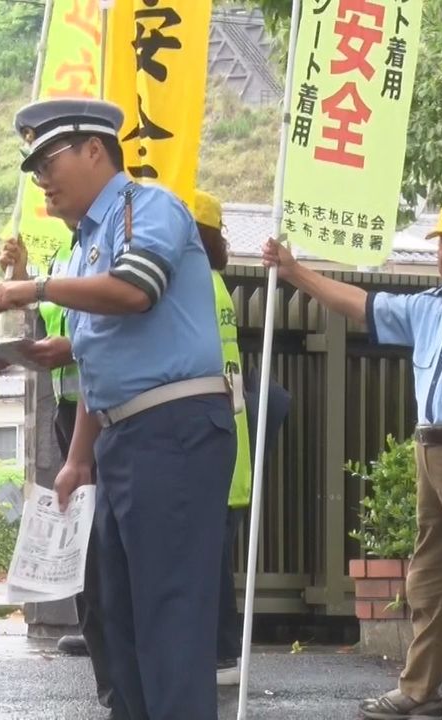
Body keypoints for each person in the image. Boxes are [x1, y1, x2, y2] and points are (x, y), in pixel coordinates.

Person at [0, 98, 236, 720]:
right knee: (114, 614)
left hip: (173, 428)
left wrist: (34, 286)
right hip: (122, 434)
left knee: (168, 615)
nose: (41, 176)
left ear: (95, 149)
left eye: (49, 158)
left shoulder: (147, 207)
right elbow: (100, 352)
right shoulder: (83, 244)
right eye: (33, 164)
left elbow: (135, 290)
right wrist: (75, 457)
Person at [262, 197, 442, 720]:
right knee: (429, 582)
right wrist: (295, 270)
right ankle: (420, 690)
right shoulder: (431, 307)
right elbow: (359, 304)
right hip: (433, 452)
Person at [0, 236, 113, 713]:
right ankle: (104, 655)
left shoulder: (109, 241)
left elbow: (96, 330)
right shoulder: (75, 249)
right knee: (85, 539)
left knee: (100, 542)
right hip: (72, 407)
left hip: (104, 406)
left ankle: (116, 671)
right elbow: (59, 318)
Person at [193, 190, 254, 687]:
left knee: (208, 563)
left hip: (210, 446)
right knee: (213, 559)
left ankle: (221, 654)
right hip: (228, 446)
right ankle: (221, 652)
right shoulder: (217, 285)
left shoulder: (196, 287)